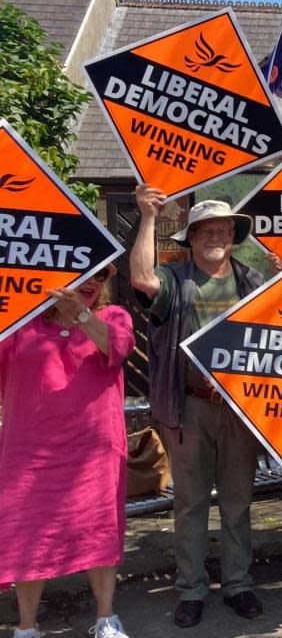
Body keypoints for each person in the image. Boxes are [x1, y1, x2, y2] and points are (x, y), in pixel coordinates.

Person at [130, 188, 265, 628]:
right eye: (207, 230)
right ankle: (190, 588)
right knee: (189, 503)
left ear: (233, 235)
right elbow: (141, 279)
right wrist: (148, 216)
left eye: (223, 230)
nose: (216, 237)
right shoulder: (174, 279)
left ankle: (238, 584)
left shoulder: (252, 280)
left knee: (238, 502)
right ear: (192, 237)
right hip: (189, 408)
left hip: (240, 409)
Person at [0, 267, 135, 638]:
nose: (91, 282)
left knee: (99, 527)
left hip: (93, 450)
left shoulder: (113, 316)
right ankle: (27, 626)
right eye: (80, 273)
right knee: (27, 532)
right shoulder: (18, 323)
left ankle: (106, 617)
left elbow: (117, 347)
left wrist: (80, 315)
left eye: (101, 275)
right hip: (29, 451)